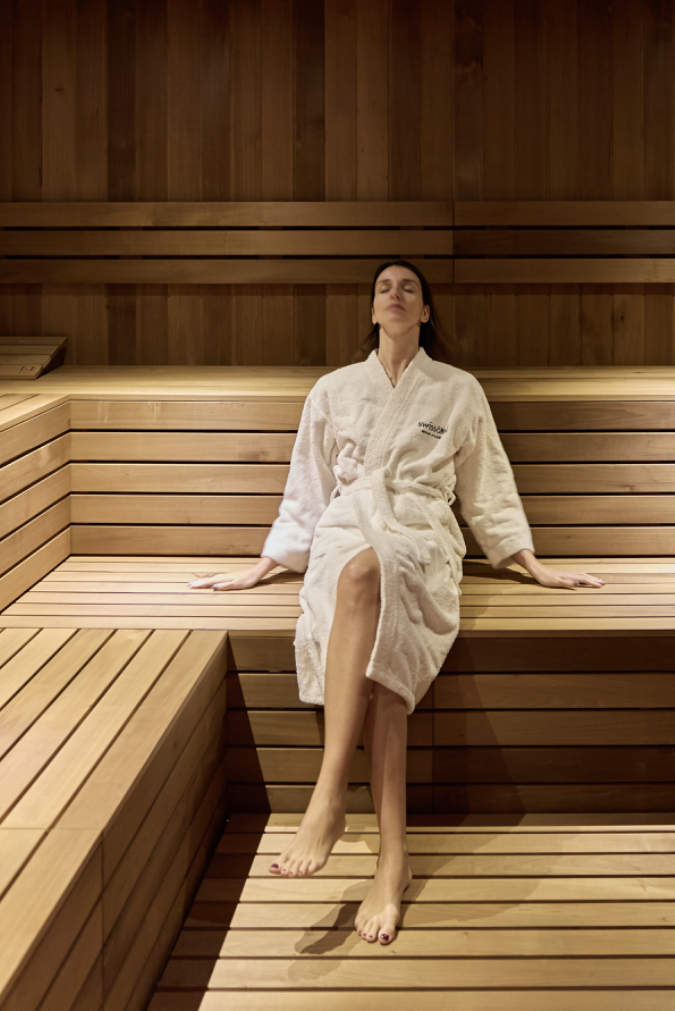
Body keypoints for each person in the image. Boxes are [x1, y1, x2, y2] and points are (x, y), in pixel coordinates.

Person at [189, 259, 604, 946]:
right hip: (347, 527)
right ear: (372, 310)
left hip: (421, 532)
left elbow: (486, 484)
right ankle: (392, 859)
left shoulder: (457, 389)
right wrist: (266, 564)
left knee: (368, 586)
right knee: (361, 598)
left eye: (409, 286)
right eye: (384, 287)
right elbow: (309, 485)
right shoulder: (333, 389)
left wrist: (527, 562)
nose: (395, 294)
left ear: (426, 311)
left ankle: (330, 799)